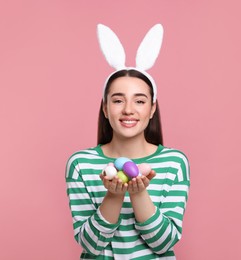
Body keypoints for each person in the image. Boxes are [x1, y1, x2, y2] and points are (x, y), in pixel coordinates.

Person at [65, 24, 190, 259]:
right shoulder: (80, 163)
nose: (129, 110)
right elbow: (91, 246)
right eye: (118, 100)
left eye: (140, 101)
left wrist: (139, 193)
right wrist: (113, 195)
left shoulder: (174, 162)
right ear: (105, 107)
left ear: (152, 108)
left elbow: (164, 244)